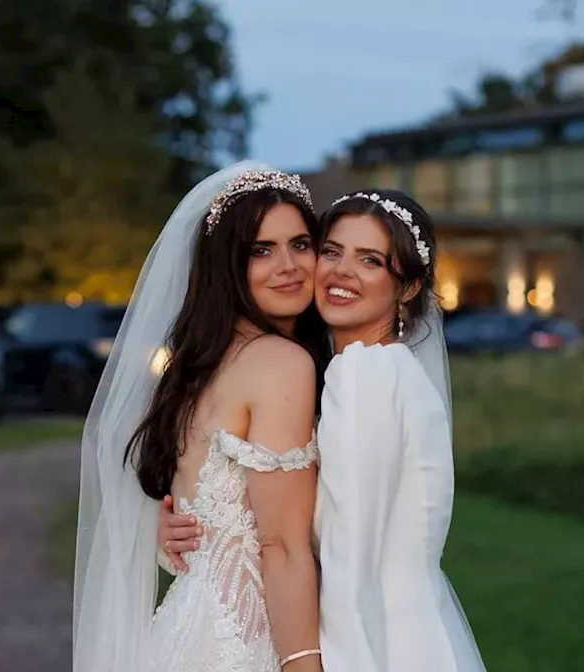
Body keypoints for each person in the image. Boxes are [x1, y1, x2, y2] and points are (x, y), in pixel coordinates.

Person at [158, 189, 488, 671]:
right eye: (332, 251)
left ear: (409, 287)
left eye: (370, 260)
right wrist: (190, 530)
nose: (339, 272)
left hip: (377, 642)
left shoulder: (364, 377)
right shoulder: (365, 370)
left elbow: (349, 563)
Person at [73, 162, 329, 672]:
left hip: (182, 635)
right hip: (251, 640)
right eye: (261, 251)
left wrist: (163, 532)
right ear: (226, 265)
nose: (289, 265)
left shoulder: (203, 367)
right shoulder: (281, 363)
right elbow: (280, 545)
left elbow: (201, 516)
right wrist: (304, 667)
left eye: (300, 244)